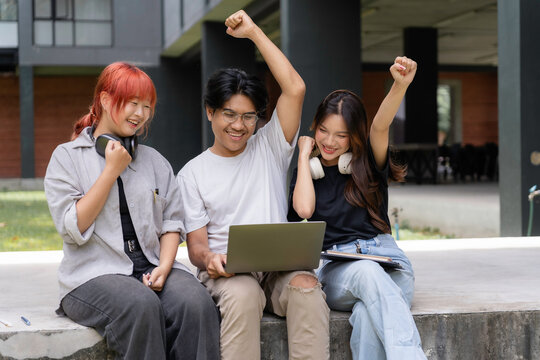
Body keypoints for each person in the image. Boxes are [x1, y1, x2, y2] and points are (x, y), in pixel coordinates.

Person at [177, 10, 330, 360]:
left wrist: (254, 33)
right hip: (229, 274)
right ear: (210, 112)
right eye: (229, 114)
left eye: (248, 116)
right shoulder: (192, 174)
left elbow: (296, 88)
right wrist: (211, 260)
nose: (239, 125)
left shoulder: (270, 146)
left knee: (307, 286)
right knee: (244, 292)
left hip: (279, 268)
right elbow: (196, 247)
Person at [44, 62, 220, 360]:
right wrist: (110, 172)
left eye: (147, 106)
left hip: (151, 264)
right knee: (141, 305)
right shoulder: (66, 158)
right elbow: (73, 228)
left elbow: (171, 224)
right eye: (132, 103)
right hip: (91, 276)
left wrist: (164, 267)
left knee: (197, 303)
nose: (140, 114)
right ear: (105, 99)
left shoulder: (154, 162)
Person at [288, 57, 427, 359]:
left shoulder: (365, 165)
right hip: (339, 273)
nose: (330, 141)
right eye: (324, 131)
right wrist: (302, 157)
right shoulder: (308, 173)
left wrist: (400, 85)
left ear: (354, 137)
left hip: (391, 266)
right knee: (365, 273)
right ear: (315, 127)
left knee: (366, 317)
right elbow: (303, 210)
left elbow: (380, 126)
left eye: (341, 135)